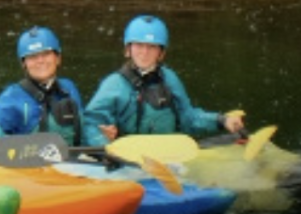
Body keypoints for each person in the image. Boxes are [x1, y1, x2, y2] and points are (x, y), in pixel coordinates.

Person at [84, 14, 248, 143]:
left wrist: (221, 120)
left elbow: (188, 118)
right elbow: (90, 122)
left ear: (161, 53)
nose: (144, 52)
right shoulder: (114, 84)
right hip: (126, 161)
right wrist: (101, 138)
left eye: (152, 47)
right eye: (139, 45)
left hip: (168, 157)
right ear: (128, 49)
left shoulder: (169, 78)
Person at [0, 26, 101, 148]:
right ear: (24, 64)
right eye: (33, 56)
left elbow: (85, 131)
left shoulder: (69, 88)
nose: (40, 61)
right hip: (29, 160)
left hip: (73, 158)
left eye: (46, 54)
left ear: (58, 58)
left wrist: (100, 139)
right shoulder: (10, 99)